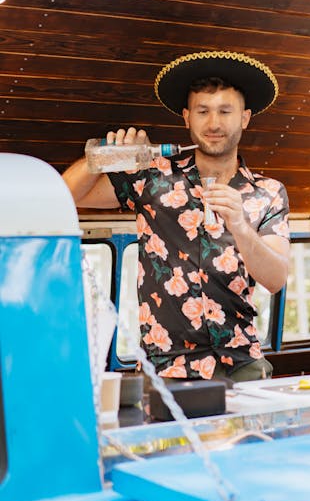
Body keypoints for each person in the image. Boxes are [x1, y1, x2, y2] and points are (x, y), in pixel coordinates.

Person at [63, 50, 290, 382]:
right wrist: (102, 156)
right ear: (186, 117)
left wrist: (240, 225)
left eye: (226, 111)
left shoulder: (268, 192)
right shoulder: (151, 177)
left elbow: (275, 279)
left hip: (241, 364)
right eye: (203, 111)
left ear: (244, 118)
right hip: (165, 367)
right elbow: (64, 196)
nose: (214, 123)